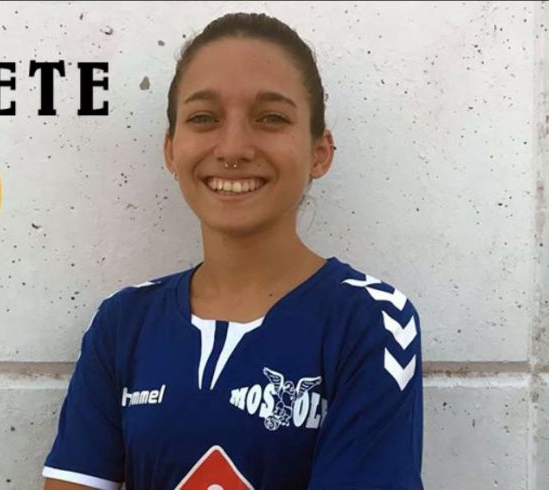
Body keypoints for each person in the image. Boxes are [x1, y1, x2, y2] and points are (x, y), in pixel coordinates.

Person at [42, 12, 424, 490]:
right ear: (171, 150)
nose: (233, 147)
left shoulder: (369, 320)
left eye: (271, 118)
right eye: (204, 118)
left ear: (320, 152)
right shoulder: (124, 325)